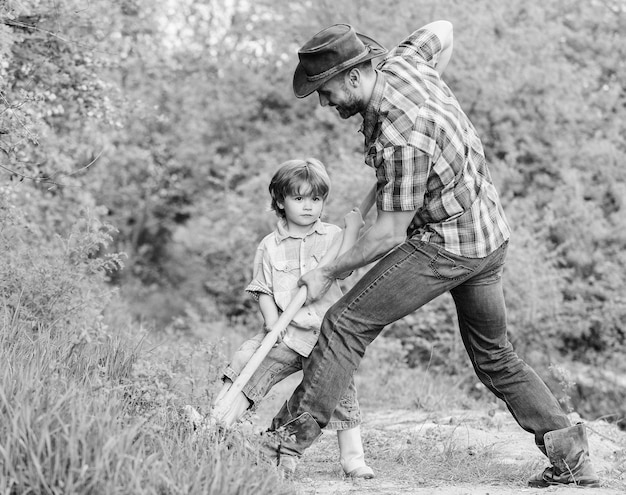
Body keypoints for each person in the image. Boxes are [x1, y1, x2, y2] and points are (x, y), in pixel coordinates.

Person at [259, 21, 600, 488]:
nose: (324, 101)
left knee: (344, 323)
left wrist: (327, 270)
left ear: (354, 77)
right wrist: (436, 102)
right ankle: (571, 457)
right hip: (487, 233)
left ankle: (282, 445)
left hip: (445, 246)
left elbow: (390, 233)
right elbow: (444, 28)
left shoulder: (402, 135)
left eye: (326, 89)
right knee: (495, 356)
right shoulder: (405, 63)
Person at [208, 158, 375, 478]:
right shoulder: (269, 246)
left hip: (326, 334)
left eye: (316, 199)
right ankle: (217, 425)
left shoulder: (333, 236)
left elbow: (346, 267)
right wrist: (272, 324)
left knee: (341, 393)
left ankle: (353, 459)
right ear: (280, 201)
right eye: (298, 198)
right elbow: (263, 289)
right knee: (247, 359)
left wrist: (353, 230)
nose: (308, 206)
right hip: (285, 331)